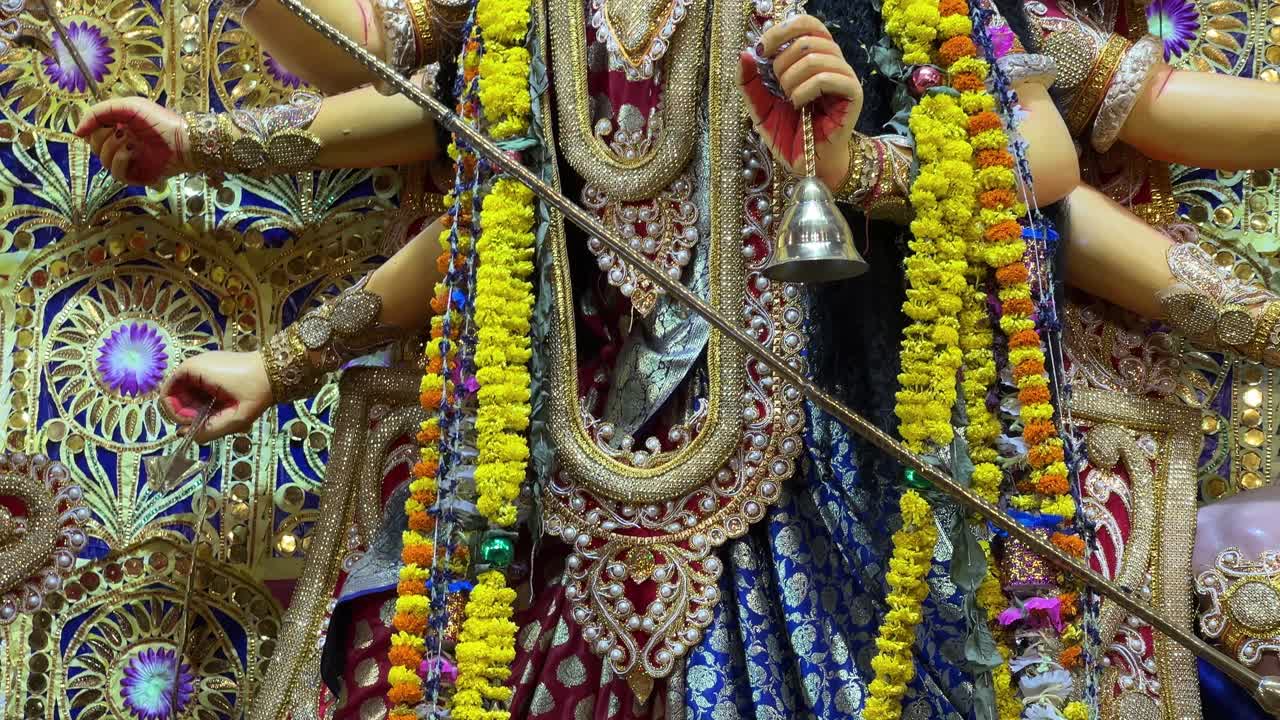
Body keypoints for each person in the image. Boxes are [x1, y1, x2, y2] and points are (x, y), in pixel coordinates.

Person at [74, 0, 1280, 717]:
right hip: (546, 507)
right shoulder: (530, 19)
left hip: (808, 495)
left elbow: (1036, 157)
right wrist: (275, 354)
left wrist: (852, 164)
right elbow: (476, 186)